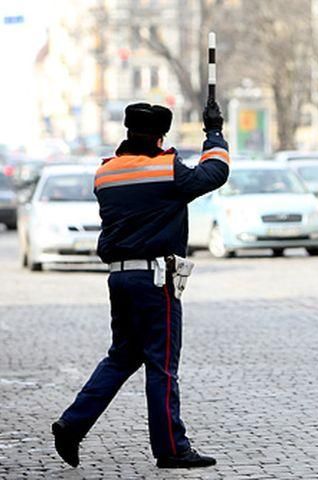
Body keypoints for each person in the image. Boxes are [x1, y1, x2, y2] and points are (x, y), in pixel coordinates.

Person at [51, 99, 230, 469]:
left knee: (122, 356)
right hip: (154, 280)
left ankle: (72, 424)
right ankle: (171, 448)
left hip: (119, 277)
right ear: (161, 136)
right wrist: (213, 131)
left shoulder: (106, 173)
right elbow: (214, 173)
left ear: (128, 131)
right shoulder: (166, 170)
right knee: (161, 365)